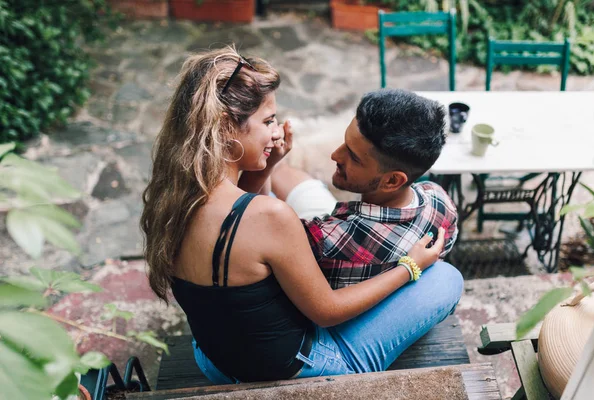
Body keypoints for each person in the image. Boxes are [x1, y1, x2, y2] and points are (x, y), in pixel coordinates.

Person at [141, 47, 463, 385]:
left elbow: (237, 223)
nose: (277, 132)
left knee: (309, 196)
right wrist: (409, 267)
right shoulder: (270, 217)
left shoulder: (172, 194)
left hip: (213, 356)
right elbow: (326, 312)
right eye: (268, 121)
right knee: (445, 278)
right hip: (295, 371)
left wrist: (270, 162)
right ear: (224, 128)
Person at [270, 89, 459, 289]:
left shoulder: (327, 238)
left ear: (393, 180)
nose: (335, 155)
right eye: (345, 143)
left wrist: (261, 171)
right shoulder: (440, 202)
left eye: (353, 156)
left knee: (281, 176)